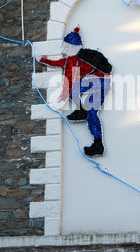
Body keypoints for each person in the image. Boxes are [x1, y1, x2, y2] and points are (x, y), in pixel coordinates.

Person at [37, 27, 112, 157]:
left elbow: (69, 83)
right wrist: (42, 59)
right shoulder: (69, 60)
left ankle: (95, 139)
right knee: (90, 110)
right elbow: (56, 63)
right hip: (99, 80)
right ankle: (96, 139)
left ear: (70, 47)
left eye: (65, 46)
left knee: (90, 109)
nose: (63, 48)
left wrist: (61, 100)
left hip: (101, 81)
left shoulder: (74, 61)